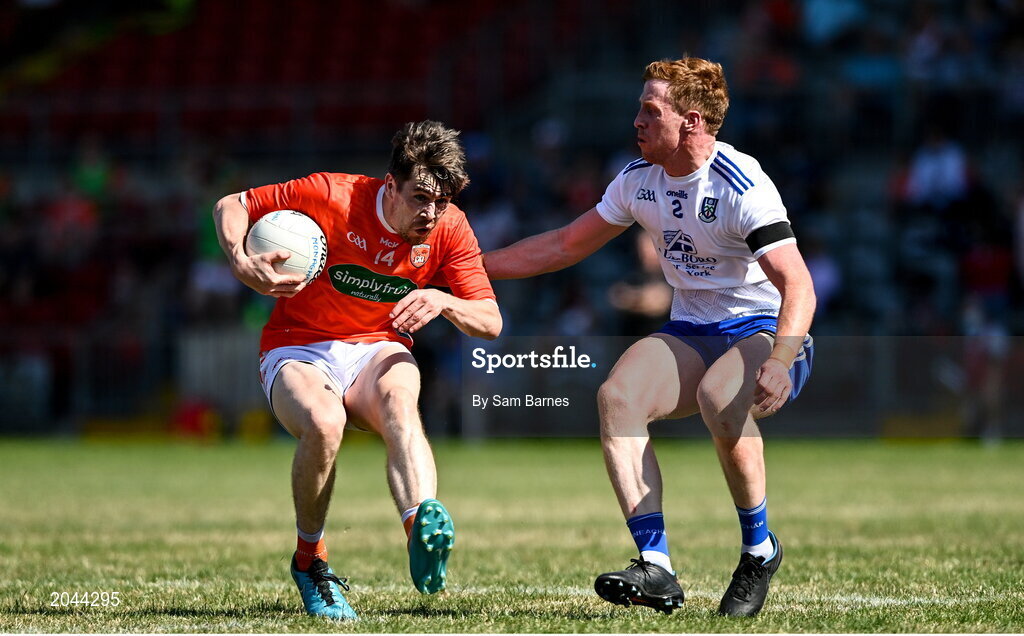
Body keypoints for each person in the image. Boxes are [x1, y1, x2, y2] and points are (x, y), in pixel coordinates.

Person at [484, 58, 815, 618]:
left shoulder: (740, 183)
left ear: (689, 121)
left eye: (649, 109)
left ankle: (759, 549)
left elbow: (798, 285)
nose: (635, 119)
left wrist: (782, 358)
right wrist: (467, 267)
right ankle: (656, 566)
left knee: (718, 396)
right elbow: (564, 246)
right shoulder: (639, 179)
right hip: (691, 330)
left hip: (767, 328)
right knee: (618, 397)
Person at [212, 121, 502, 620]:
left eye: (443, 200)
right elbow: (231, 205)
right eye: (420, 198)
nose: (431, 213)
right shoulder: (331, 195)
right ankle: (310, 562)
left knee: (400, 400)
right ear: (390, 184)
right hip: (297, 344)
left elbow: (491, 321)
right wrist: (240, 260)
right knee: (326, 424)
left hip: (376, 346)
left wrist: (442, 300)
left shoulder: (450, 227)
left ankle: (419, 528)